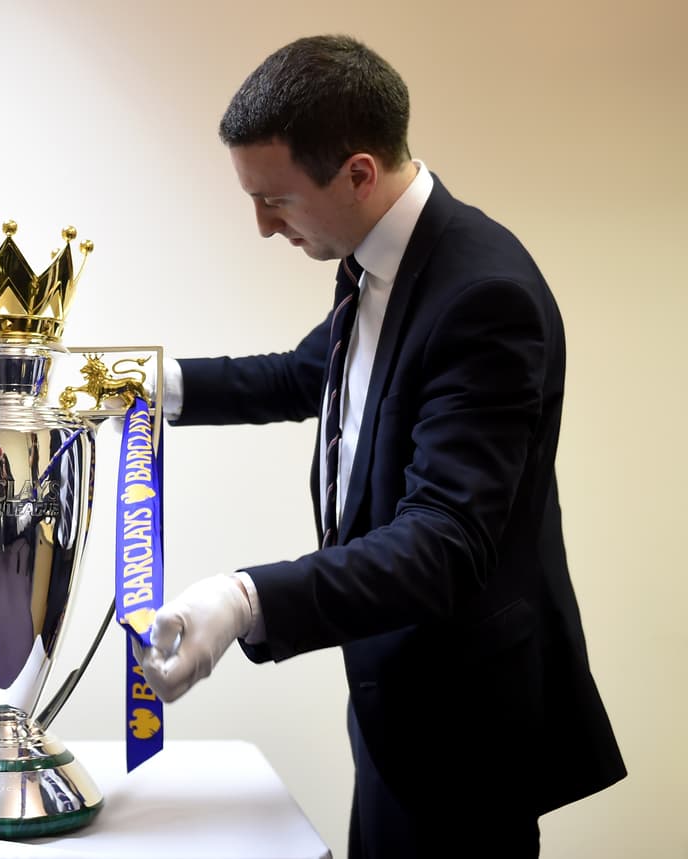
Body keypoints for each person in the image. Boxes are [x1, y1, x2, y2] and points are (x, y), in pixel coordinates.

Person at [137, 35, 625, 859]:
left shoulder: (484, 295)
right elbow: (307, 375)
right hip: (394, 693)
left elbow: (442, 543)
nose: (261, 226)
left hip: (464, 728)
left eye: (278, 201)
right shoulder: (379, 257)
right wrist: (148, 385)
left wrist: (246, 597)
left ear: (359, 173)